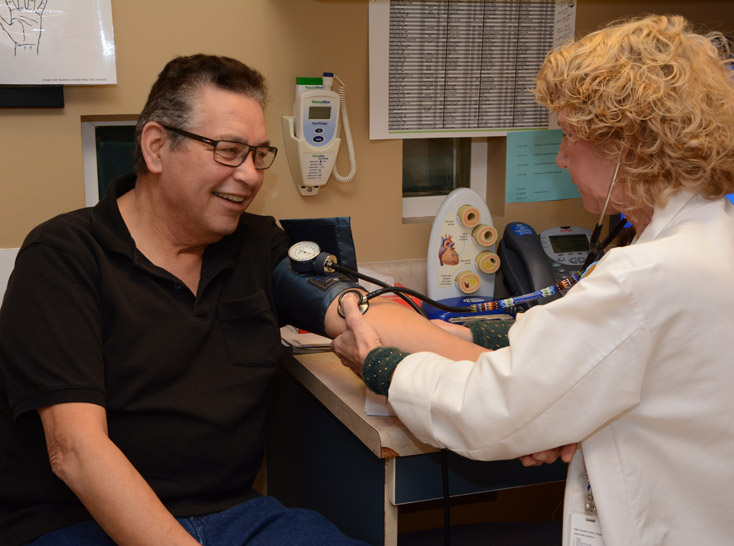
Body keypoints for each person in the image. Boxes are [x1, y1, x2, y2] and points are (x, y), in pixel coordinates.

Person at [0, 54, 474, 546]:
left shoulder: (257, 244)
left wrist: (509, 383)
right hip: (80, 522)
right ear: (158, 146)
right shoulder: (63, 257)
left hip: (235, 515)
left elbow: (359, 311)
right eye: (228, 151)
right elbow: (75, 450)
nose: (250, 175)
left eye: (259, 155)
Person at [332, 15, 734, 546]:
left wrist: (379, 364)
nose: (562, 156)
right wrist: (500, 353)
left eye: (569, 136)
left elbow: (488, 412)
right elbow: (603, 353)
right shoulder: (707, 238)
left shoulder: (648, 274)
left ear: (629, 146)